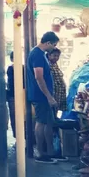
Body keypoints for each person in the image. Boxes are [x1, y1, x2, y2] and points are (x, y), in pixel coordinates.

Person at [27, 31, 59, 163]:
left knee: (47, 122)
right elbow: (39, 77)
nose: (54, 47)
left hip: (43, 95)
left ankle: (49, 152)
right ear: (48, 43)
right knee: (41, 122)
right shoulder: (37, 55)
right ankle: (40, 153)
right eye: (54, 44)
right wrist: (48, 96)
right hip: (40, 96)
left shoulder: (40, 54)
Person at [48, 48, 66, 114]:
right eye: (54, 55)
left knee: (55, 111)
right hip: (54, 93)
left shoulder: (55, 64)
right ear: (49, 55)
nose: (56, 58)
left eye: (58, 56)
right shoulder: (48, 65)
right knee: (51, 112)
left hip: (58, 94)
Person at [6, 53, 16, 139]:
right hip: (12, 95)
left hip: (19, 95)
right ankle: (16, 135)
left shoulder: (23, 68)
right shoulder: (10, 69)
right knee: (13, 116)